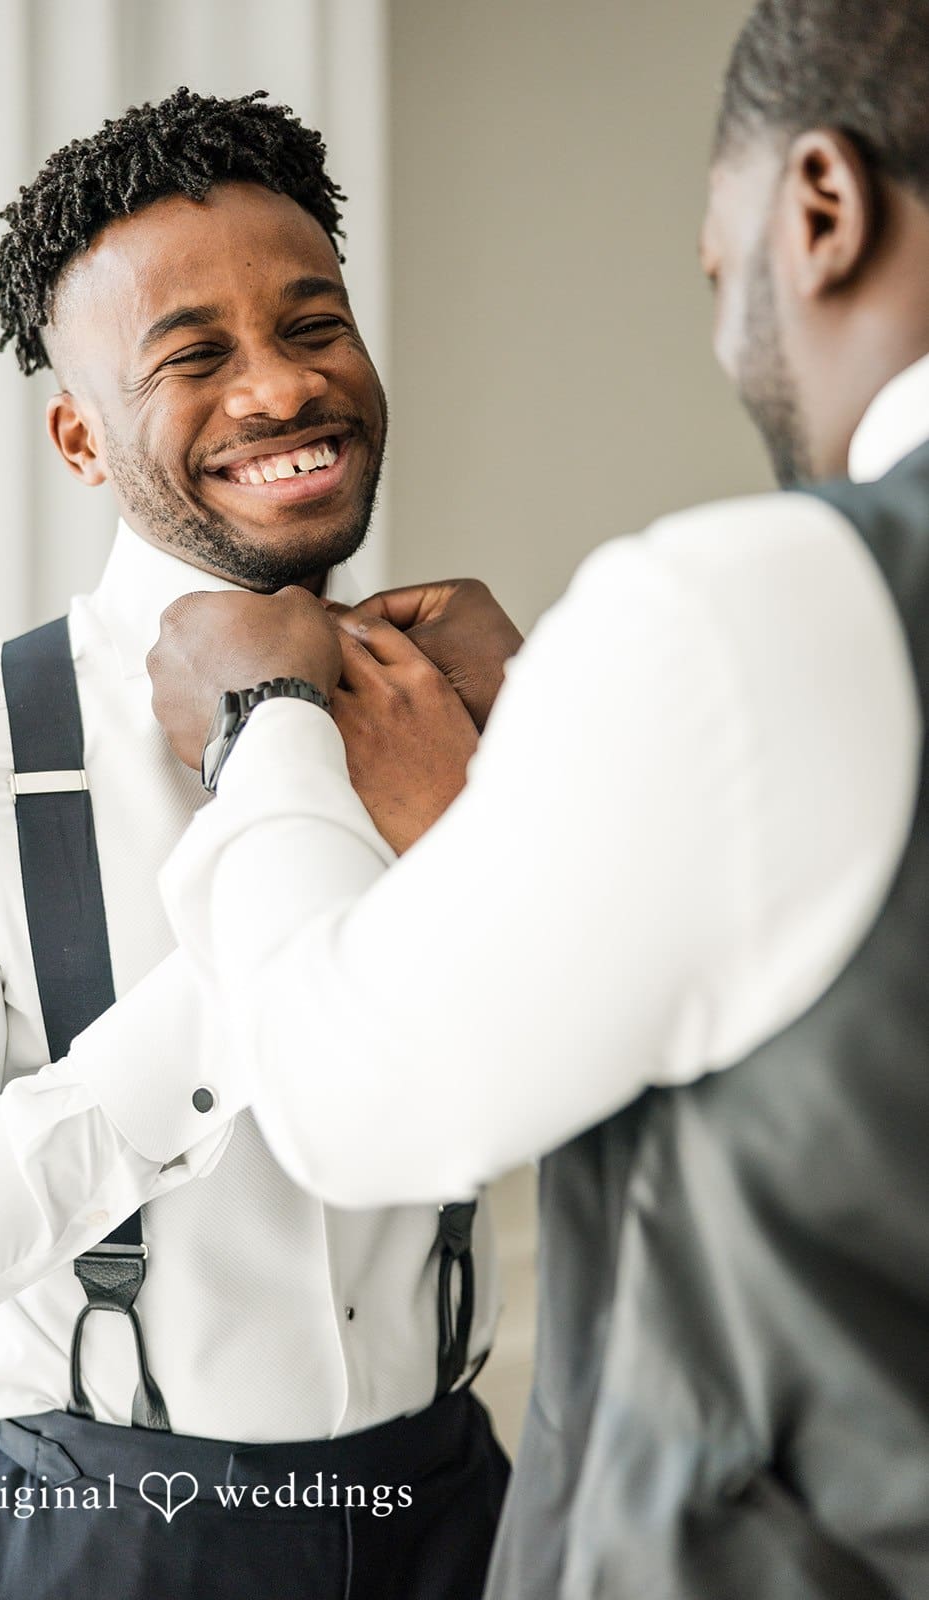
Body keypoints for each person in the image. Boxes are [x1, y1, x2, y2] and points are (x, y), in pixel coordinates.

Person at [145, 4, 929, 1596]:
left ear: (821, 209)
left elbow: (357, 1096)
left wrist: (262, 728)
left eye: (724, 270)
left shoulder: (761, 606)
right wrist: (551, 774)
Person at [0, 88, 509, 1600]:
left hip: (457, 1511)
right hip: (103, 1530)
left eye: (315, 324)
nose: (282, 389)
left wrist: (531, 780)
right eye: (193, 356)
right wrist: (286, 907)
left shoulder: (455, 709)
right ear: (81, 438)